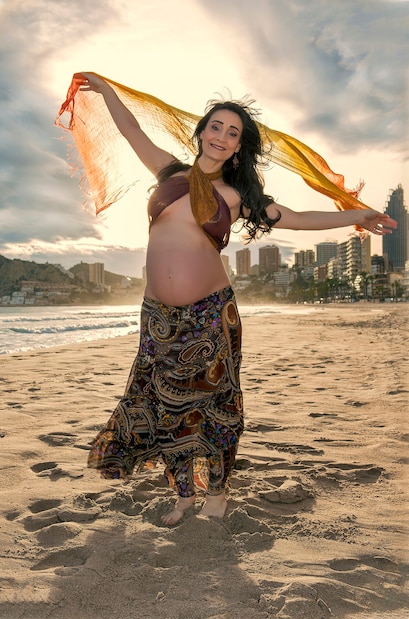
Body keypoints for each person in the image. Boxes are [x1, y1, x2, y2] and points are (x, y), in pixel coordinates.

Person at [75, 72, 396, 525]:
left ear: (239, 147)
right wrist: (108, 91)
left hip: (210, 314)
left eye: (233, 133)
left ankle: (218, 493)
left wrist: (357, 214)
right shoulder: (169, 172)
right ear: (201, 131)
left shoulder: (239, 196)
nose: (222, 137)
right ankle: (184, 494)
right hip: (157, 315)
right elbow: (132, 131)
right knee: (169, 404)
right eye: (216, 127)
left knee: (216, 404)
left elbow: (300, 219)